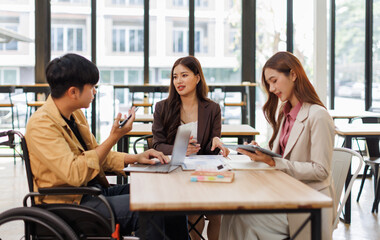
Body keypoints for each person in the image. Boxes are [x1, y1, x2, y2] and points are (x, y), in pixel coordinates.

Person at [25, 53, 189, 239]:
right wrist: (114, 137)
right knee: (148, 207)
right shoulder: (42, 124)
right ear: (73, 92)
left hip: (92, 193)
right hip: (69, 203)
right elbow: (74, 173)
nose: (95, 92)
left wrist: (135, 158)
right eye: (92, 87)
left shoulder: (75, 115)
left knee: (169, 196)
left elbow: (98, 156)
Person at [219, 51, 335, 240]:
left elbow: (321, 170)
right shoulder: (285, 113)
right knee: (230, 212)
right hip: (283, 193)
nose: (271, 89)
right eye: (268, 84)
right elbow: (283, 156)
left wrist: (273, 162)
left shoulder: (318, 115)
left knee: (244, 220)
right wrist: (261, 153)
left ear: (293, 75)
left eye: (274, 81)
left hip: (306, 204)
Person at [152, 55, 229, 240]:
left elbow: (213, 143)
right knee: (193, 212)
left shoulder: (212, 109)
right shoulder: (162, 107)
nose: (178, 81)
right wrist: (180, 150)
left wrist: (217, 142)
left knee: (217, 212)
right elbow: (157, 145)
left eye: (184, 75)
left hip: (203, 171)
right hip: (175, 171)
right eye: (175, 76)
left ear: (197, 77)